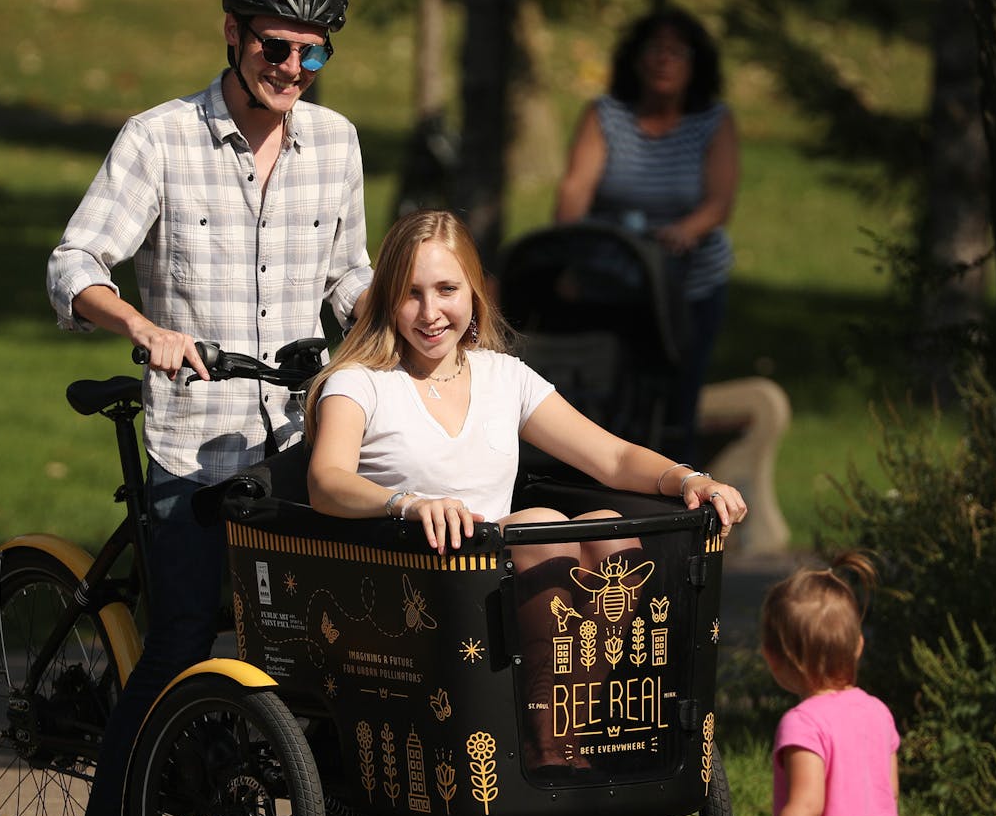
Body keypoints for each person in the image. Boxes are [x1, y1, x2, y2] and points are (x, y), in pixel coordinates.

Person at [44, 0, 376, 816]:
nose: (293, 72)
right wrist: (143, 328)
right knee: (184, 638)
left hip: (300, 442)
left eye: (314, 55)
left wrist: (385, 316)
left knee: (344, 639)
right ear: (232, 34)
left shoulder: (338, 144)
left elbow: (345, 273)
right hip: (192, 442)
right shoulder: (160, 139)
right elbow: (75, 264)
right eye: (277, 48)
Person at [306, 208, 747, 772]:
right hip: (421, 592)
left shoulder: (502, 376)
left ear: (476, 292)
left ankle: (564, 722)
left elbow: (611, 456)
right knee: (541, 523)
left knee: (607, 533)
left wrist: (690, 478)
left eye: (447, 289)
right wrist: (409, 504)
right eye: (411, 294)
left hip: (508, 585)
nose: (430, 312)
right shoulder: (360, 382)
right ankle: (550, 742)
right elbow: (326, 481)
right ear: (387, 298)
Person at [552, 6, 739, 461]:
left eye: (677, 52)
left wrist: (681, 233)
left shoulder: (713, 121)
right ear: (636, 59)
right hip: (615, 274)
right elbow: (575, 188)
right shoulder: (605, 115)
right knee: (607, 391)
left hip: (688, 277)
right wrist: (569, 254)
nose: (664, 60)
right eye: (655, 50)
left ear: (696, 65)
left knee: (679, 392)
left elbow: (718, 203)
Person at [747, 552, 915, 816]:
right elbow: (889, 792)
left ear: (773, 657)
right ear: (857, 645)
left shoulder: (802, 724)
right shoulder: (878, 711)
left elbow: (806, 806)